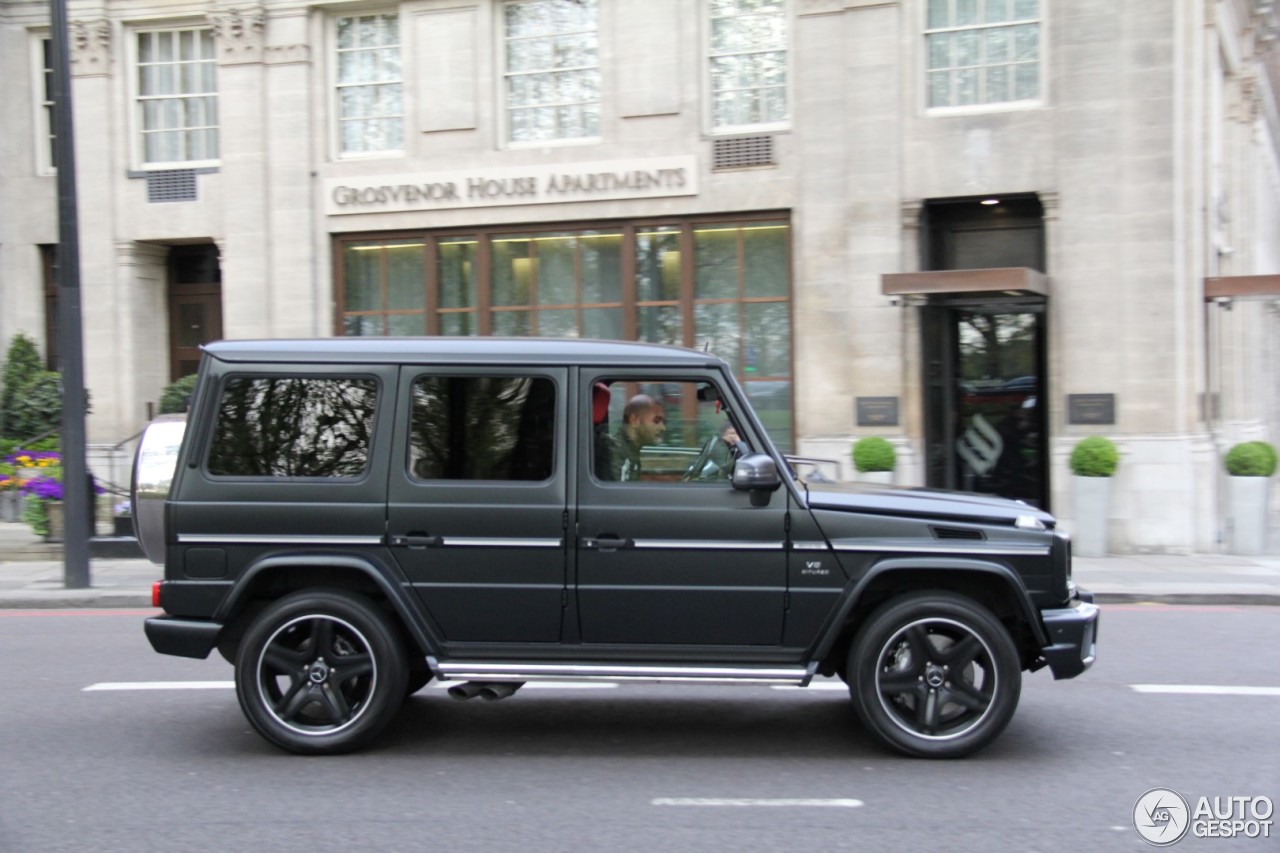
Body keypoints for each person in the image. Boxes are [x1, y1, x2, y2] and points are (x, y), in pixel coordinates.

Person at [608, 394, 666, 481]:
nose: (663, 428)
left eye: (663, 422)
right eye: (656, 420)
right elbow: (619, 494)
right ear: (634, 420)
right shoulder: (618, 454)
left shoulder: (631, 451)